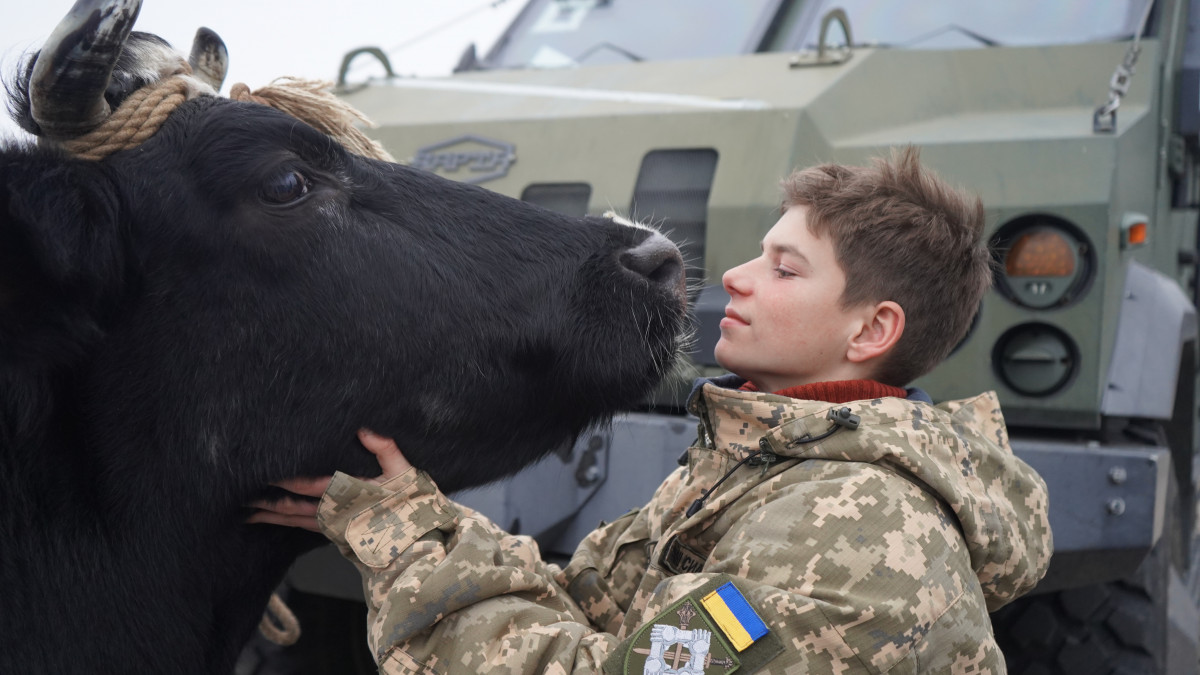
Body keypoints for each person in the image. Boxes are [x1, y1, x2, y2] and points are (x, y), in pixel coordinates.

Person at [250, 147, 1053, 674]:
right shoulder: (763, 469)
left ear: (871, 329)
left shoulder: (852, 534)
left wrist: (406, 542)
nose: (734, 277)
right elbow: (588, 611)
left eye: (784, 268)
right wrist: (409, 520)